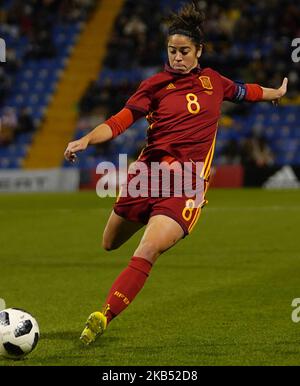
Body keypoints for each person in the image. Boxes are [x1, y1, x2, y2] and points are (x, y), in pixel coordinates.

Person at [64, 1, 288, 345]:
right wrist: (86, 139)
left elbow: (245, 91)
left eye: (184, 51)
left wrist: (275, 92)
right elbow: (120, 121)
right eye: (172, 51)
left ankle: (103, 316)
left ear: (199, 51)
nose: (177, 57)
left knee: (147, 249)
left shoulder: (215, 81)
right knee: (109, 244)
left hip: (187, 185)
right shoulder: (153, 86)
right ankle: (146, 220)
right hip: (147, 177)